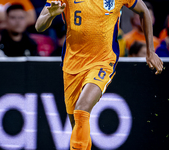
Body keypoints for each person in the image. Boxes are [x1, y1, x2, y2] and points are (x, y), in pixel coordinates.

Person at [35, 0, 163, 149]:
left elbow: (144, 12)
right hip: (72, 65)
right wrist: (50, 15)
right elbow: (39, 26)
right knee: (77, 125)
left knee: (82, 108)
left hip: (103, 61)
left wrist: (150, 51)